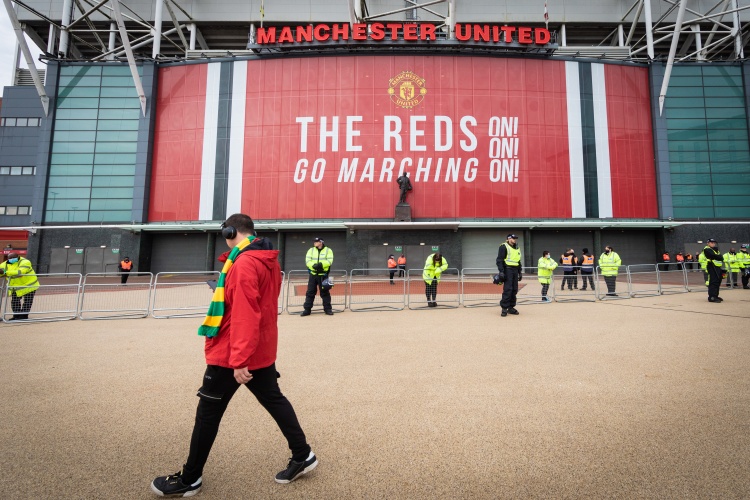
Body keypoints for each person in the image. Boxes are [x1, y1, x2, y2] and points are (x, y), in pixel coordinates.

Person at [150, 214, 317, 497]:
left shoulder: (243, 264)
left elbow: (244, 313)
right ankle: (303, 455)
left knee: (208, 413)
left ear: (229, 231)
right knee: (274, 400)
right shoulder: (266, 258)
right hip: (260, 347)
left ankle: (190, 478)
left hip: (233, 352)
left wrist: (240, 360)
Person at [0, 252, 39, 321]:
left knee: (27, 301)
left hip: (29, 285)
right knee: (15, 301)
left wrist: (5, 272)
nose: (11, 259)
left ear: (18, 257)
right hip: (15, 287)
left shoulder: (25, 262)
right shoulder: (4, 264)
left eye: (13, 258)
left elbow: (20, 272)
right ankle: (16, 316)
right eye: (10, 258)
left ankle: (24, 316)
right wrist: (2, 273)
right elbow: (1, 273)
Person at [302, 237, 334, 316]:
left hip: (324, 275)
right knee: (310, 292)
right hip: (313, 275)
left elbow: (330, 261)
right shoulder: (311, 250)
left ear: (321, 242)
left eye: (316, 241)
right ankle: (307, 310)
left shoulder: (328, 250)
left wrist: (321, 265)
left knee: (325, 293)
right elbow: (307, 261)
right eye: (314, 241)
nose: (314, 243)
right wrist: (314, 266)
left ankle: (328, 309)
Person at [496, 234, 522, 316]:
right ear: (508, 239)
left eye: (515, 238)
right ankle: (504, 308)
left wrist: (519, 272)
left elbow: (518, 261)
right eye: (513, 238)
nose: (514, 240)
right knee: (508, 289)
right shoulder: (503, 247)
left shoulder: (517, 248)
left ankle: (511, 307)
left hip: (515, 270)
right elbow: (499, 260)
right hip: (508, 269)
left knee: (514, 289)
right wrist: (501, 271)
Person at [704, 238, 724, 303]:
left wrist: (718, 257)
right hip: (711, 266)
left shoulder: (715, 250)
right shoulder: (707, 249)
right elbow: (714, 256)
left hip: (717, 267)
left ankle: (715, 295)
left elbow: (720, 257)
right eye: (711, 242)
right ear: (708, 243)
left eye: (714, 243)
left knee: (717, 281)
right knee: (713, 282)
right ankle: (712, 297)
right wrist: (718, 257)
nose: (713, 244)